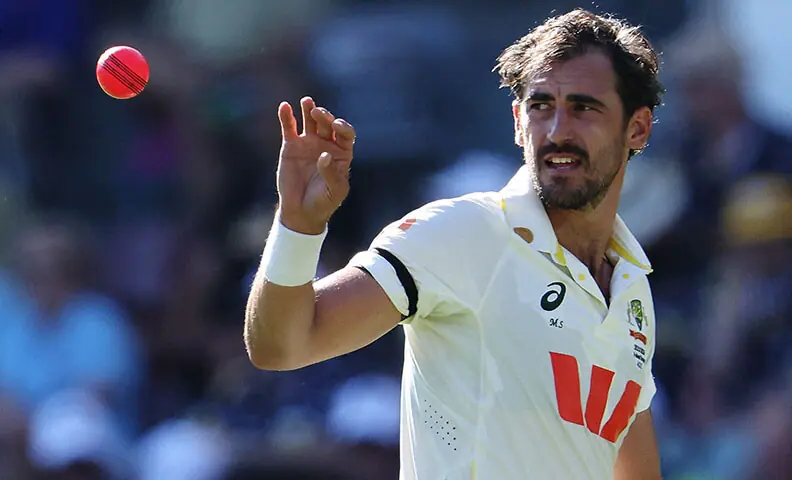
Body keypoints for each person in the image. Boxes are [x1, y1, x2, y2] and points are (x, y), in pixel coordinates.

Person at [244, 8, 664, 479]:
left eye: (584, 108)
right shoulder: (461, 231)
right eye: (541, 106)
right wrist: (298, 227)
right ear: (517, 122)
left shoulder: (631, 288)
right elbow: (280, 347)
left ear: (637, 128)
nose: (557, 130)